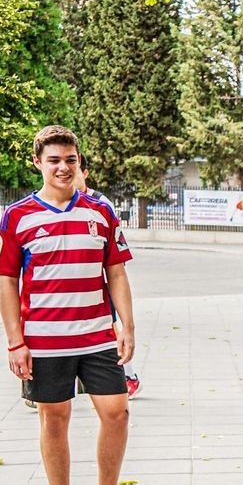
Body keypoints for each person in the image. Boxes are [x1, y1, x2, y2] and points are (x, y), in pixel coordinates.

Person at [0, 125, 139, 485]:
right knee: (54, 421)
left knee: (117, 413)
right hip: (44, 340)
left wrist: (127, 326)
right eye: (54, 160)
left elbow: (116, 272)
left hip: (97, 336)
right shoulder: (18, 215)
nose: (63, 167)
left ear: (79, 163)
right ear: (37, 163)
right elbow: (6, 282)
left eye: (70, 160)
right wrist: (15, 341)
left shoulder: (100, 211)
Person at [73, 158, 139, 399]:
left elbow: (114, 252)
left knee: (110, 327)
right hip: (74, 287)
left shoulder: (101, 204)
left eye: (75, 170)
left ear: (85, 173)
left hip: (99, 282)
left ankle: (129, 376)